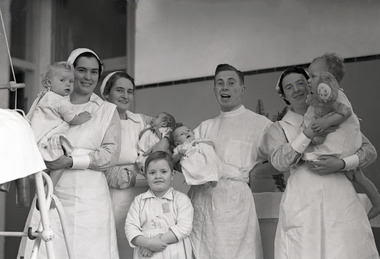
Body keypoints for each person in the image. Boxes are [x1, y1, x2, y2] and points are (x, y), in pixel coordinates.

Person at [18, 48, 121, 259]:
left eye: (94, 72)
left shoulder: (106, 110)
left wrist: (71, 161)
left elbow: (110, 155)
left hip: (90, 196)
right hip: (51, 191)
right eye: (81, 70)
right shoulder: (46, 102)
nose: (87, 77)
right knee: (48, 247)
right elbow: (27, 134)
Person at [267, 66, 379, 259]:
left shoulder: (333, 115)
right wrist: (307, 134)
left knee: (343, 248)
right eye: (289, 87)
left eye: (301, 83)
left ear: (311, 85)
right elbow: (279, 162)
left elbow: (369, 151)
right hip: (303, 198)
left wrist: (342, 163)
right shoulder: (279, 128)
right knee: (304, 248)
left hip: (339, 193)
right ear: (283, 95)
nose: (297, 89)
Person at [189, 64, 272, 259]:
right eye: (220, 83)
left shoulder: (260, 124)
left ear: (242, 89)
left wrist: (257, 172)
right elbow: (183, 158)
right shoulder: (205, 127)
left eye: (231, 82)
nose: (224, 87)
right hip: (203, 203)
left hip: (236, 206)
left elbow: (283, 158)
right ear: (214, 89)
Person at [100, 71, 171, 258]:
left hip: (142, 195)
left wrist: (164, 141)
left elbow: (168, 129)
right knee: (117, 243)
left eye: (129, 91)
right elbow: (99, 162)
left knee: (143, 246)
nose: (125, 96)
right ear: (106, 93)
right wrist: (132, 175)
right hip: (113, 195)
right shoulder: (99, 121)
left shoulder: (140, 120)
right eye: (119, 90)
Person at [308, 53, 380, 219]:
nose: (308, 81)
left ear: (328, 79)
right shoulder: (315, 102)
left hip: (343, 153)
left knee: (355, 174)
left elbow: (369, 150)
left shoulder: (335, 96)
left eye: (312, 76)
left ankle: (377, 202)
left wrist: (342, 163)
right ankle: (377, 202)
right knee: (356, 175)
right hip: (318, 189)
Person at [29, 61, 92, 187]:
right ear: (48, 83)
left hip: (36, 139)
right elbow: (71, 118)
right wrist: (81, 117)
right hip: (47, 141)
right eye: (62, 80)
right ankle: (49, 189)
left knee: (43, 170)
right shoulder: (61, 102)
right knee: (60, 163)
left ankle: (42, 190)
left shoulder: (43, 97)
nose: (68, 84)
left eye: (71, 81)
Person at [125, 151, 193, 259]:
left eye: (163, 171)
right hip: (146, 254)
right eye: (152, 173)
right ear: (146, 176)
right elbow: (130, 228)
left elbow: (184, 228)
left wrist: (154, 244)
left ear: (172, 175)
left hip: (174, 252)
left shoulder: (181, 200)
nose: (158, 176)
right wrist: (147, 243)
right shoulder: (139, 201)